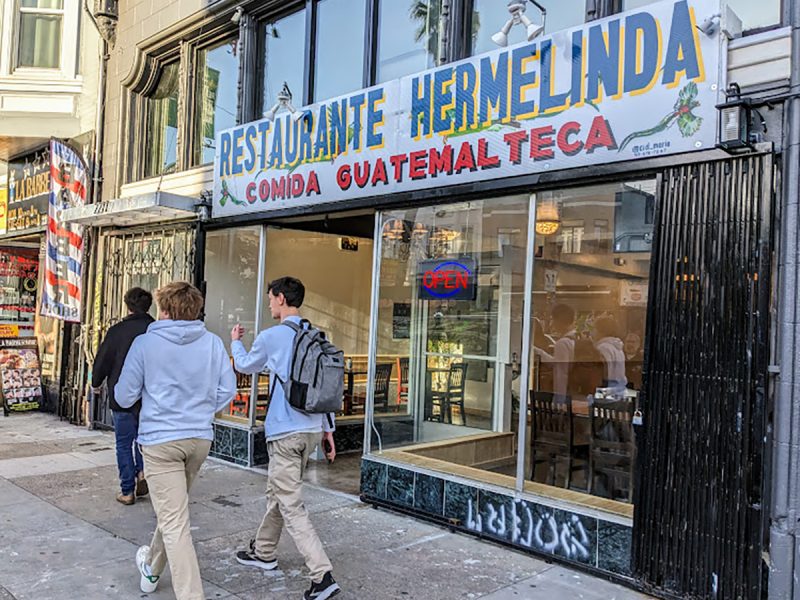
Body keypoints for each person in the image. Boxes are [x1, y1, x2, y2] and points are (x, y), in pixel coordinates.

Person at [115, 282, 237, 600]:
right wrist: (200, 408)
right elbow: (228, 390)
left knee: (174, 522)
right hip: (198, 437)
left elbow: (124, 395)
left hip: (159, 441)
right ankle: (152, 571)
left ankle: (190, 595)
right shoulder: (212, 343)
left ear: (164, 311)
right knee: (174, 513)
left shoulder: (145, 344)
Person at [230, 276, 340, 600]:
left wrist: (235, 340)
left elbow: (247, 365)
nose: (268, 304)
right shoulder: (316, 336)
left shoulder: (272, 336)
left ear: (280, 298)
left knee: (291, 504)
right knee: (278, 491)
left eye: (270, 298)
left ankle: (322, 576)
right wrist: (329, 430)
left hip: (286, 433)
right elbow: (325, 386)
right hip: (312, 431)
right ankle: (263, 552)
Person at [92, 287, 154, 505]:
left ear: (128, 306)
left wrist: (95, 383)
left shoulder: (117, 331)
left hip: (122, 394)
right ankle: (143, 471)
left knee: (123, 442)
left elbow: (103, 360)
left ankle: (127, 491)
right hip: (150, 396)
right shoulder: (156, 330)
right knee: (145, 439)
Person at [533, 304, 577, 402]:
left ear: (559, 320)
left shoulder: (562, 343)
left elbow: (561, 373)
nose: (551, 324)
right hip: (576, 391)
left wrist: (559, 400)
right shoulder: (576, 338)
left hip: (566, 394)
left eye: (553, 320)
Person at [593, 316, 628, 393]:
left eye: (594, 329)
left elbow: (604, 371)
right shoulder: (618, 348)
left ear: (601, 330)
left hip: (607, 392)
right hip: (618, 390)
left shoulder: (603, 348)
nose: (593, 333)